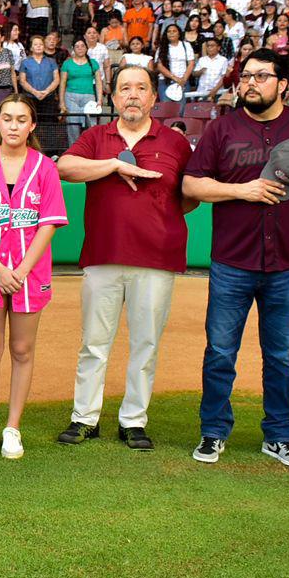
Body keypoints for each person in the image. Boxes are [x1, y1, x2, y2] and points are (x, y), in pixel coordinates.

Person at [181, 51, 289, 467]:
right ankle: (213, 432)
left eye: (261, 76)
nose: (250, 83)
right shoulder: (222, 127)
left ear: (283, 84)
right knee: (219, 351)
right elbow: (193, 185)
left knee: (281, 355)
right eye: (245, 76)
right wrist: (242, 190)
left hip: (287, 259)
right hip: (233, 259)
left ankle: (280, 435)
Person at [55, 64, 193, 450]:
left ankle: (133, 420)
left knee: (146, 344)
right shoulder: (97, 136)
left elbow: (191, 194)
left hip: (158, 257)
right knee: (94, 343)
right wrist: (114, 165)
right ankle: (85, 418)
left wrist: (158, 217)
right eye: (124, 88)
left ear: (153, 97)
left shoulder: (175, 142)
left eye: (140, 88)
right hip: (104, 254)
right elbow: (65, 167)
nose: (132, 95)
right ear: (113, 97)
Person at [0, 94, 67, 460]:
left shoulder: (44, 169)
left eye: (22, 120)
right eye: (7, 119)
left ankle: (12, 428)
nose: (14, 126)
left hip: (28, 273)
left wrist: (19, 270)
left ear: (32, 125)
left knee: (22, 349)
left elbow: (49, 224)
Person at [58, 37, 104, 146]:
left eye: (82, 46)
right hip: (70, 97)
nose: (80, 48)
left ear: (87, 48)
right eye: (77, 46)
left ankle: (91, 149)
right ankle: (74, 151)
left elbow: (98, 82)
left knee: (91, 125)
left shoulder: (93, 63)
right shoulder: (67, 64)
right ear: (73, 49)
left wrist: (100, 99)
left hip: (89, 97)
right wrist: (62, 102)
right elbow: (62, 83)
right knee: (72, 125)